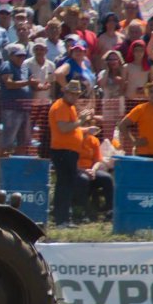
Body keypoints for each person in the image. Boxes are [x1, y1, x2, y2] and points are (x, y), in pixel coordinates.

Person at [49, 80, 97, 228]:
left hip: (68, 151)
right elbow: (63, 128)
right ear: (66, 92)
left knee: (67, 184)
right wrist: (81, 121)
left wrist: (85, 130)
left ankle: (64, 218)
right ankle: (61, 219)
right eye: (72, 93)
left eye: (76, 94)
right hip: (63, 151)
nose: (74, 97)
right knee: (64, 185)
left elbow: (71, 129)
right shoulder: (61, 106)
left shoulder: (69, 107)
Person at [0, 43, 33, 155]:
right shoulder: (7, 65)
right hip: (11, 109)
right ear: (11, 56)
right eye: (18, 56)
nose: (21, 58)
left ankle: (19, 166)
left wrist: (41, 86)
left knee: (24, 141)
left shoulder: (25, 67)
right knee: (7, 141)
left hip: (25, 108)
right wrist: (28, 82)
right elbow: (9, 83)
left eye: (23, 56)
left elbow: (31, 82)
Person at [75, 124, 114, 220]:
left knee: (107, 178)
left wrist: (93, 170)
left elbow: (97, 160)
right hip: (77, 170)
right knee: (83, 179)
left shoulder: (94, 140)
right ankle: (85, 211)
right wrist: (83, 171)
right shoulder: (73, 140)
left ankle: (110, 210)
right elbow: (71, 161)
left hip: (91, 170)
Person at [118, 80, 153, 160]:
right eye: (151, 92)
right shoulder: (140, 109)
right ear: (147, 94)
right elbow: (122, 125)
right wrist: (134, 142)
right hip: (143, 153)